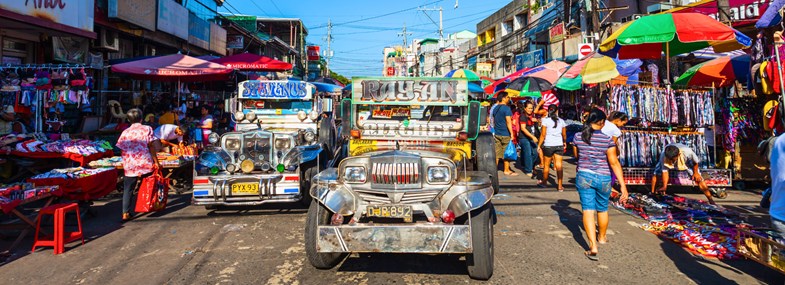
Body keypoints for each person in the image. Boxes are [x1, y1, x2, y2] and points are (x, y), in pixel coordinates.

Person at [572, 108, 628, 261]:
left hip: (584, 175)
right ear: (602, 123)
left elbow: (577, 156)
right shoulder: (607, 140)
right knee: (602, 209)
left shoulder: (577, 136)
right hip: (603, 177)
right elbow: (614, 162)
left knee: (588, 210)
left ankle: (592, 246)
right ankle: (602, 237)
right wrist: (623, 186)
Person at [116, 109, 159, 222]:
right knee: (148, 185)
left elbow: (122, 149)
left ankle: (125, 213)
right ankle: (147, 206)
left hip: (130, 164)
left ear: (129, 119)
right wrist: (156, 161)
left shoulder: (125, 132)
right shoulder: (147, 129)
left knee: (128, 188)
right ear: (141, 118)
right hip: (145, 162)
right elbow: (151, 146)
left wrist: (126, 161)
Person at [651, 144, 716, 205]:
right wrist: (664, 186)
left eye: (672, 159)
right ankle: (652, 194)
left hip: (686, 160)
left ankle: (711, 200)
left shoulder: (688, 152)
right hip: (667, 156)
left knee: (699, 179)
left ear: (678, 155)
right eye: (670, 160)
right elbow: (665, 171)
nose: (672, 161)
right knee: (656, 173)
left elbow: (695, 162)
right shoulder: (664, 155)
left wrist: (695, 173)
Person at [537, 105, 566, 190]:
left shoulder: (545, 121)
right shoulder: (562, 121)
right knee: (559, 165)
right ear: (557, 111)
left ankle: (544, 182)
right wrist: (564, 142)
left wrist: (539, 145)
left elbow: (543, 135)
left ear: (548, 111)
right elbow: (564, 134)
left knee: (546, 165)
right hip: (559, 144)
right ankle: (560, 186)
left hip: (548, 145)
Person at [492, 92, 517, 176]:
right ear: (503, 98)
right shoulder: (506, 109)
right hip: (505, 133)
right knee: (507, 152)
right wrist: (512, 134)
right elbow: (508, 122)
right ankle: (506, 170)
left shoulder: (495, 108)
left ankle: (494, 170)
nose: (508, 99)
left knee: (497, 153)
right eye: (507, 97)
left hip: (497, 133)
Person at [517, 100, 539, 178]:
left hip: (531, 137)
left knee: (535, 152)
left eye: (531, 108)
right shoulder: (523, 116)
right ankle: (528, 170)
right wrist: (533, 137)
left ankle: (527, 164)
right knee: (528, 153)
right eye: (529, 108)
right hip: (524, 137)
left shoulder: (532, 116)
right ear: (525, 108)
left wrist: (537, 121)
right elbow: (523, 129)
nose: (530, 110)